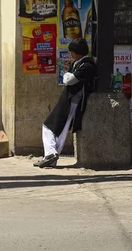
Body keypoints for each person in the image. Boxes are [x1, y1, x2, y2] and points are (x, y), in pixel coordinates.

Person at [34, 38, 96, 168]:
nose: (70, 55)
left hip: (73, 102)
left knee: (54, 127)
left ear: (77, 53)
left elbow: (70, 80)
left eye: (72, 52)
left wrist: (67, 74)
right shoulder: (78, 63)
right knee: (55, 128)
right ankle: (51, 156)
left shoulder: (87, 65)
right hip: (68, 101)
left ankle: (51, 155)